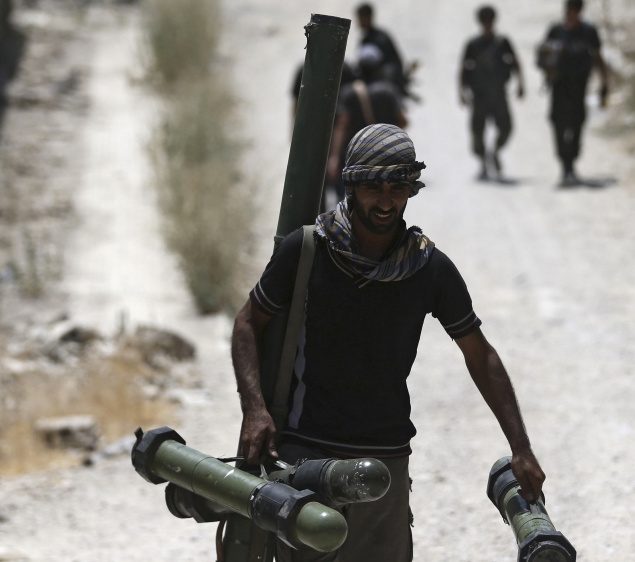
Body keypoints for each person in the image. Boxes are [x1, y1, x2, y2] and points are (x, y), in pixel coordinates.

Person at [232, 124, 547, 562]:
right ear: (351, 185)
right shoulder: (307, 250)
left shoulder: (428, 268)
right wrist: (255, 409)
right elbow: (248, 323)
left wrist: (521, 448)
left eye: (397, 187)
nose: (385, 201)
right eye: (373, 187)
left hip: (386, 461)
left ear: (411, 189)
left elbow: (481, 356)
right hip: (306, 456)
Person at [326, 45, 408, 203]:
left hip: (353, 157)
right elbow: (403, 121)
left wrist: (334, 157)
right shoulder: (389, 91)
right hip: (381, 158)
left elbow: (342, 126)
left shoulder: (349, 92)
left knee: (346, 201)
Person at [541, 0, 608, 187]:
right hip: (559, 88)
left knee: (577, 125)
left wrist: (604, 82)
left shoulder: (588, 32)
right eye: (567, 11)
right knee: (558, 125)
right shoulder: (556, 31)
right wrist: (548, 71)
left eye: (572, 11)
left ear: (579, 12)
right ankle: (565, 166)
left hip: (579, 88)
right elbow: (545, 56)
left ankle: (570, 163)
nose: (569, 15)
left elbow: (598, 56)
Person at [460, 6, 525, 181]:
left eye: (490, 21)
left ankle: (494, 152)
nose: (487, 25)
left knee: (506, 128)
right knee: (477, 132)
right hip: (479, 96)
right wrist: (461, 92)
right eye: (485, 21)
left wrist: (521, 84)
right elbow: (463, 68)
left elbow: (515, 62)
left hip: (498, 95)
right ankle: (483, 162)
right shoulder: (473, 45)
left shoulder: (502, 43)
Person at [355, 3, 412, 99]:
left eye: (361, 17)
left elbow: (392, 63)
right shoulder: (365, 39)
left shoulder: (381, 37)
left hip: (383, 86)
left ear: (369, 17)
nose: (359, 21)